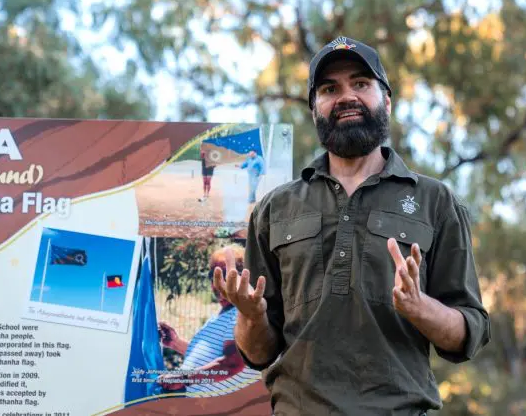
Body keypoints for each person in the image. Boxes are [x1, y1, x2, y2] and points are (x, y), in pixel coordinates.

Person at [213, 36, 491, 415]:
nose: (346, 97)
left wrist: (419, 307)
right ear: (315, 110)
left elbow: (469, 333)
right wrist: (251, 315)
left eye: (360, 84)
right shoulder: (274, 209)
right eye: (330, 89)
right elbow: (259, 353)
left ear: (386, 101)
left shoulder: (435, 201)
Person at [157, 244, 261, 395]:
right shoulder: (220, 316)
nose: (216, 283)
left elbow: (232, 364)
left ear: (241, 278)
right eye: (213, 275)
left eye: (223, 275)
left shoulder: (242, 313)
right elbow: (211, 359)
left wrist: (183, 378)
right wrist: (175, 343)